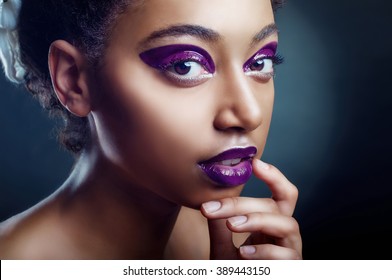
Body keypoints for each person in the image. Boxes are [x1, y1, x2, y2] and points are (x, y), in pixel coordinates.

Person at [0, 0, 302, 259]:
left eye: (260, 62)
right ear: (73, 80)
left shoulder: (239, 243)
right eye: (185, 66)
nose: (248, 114)